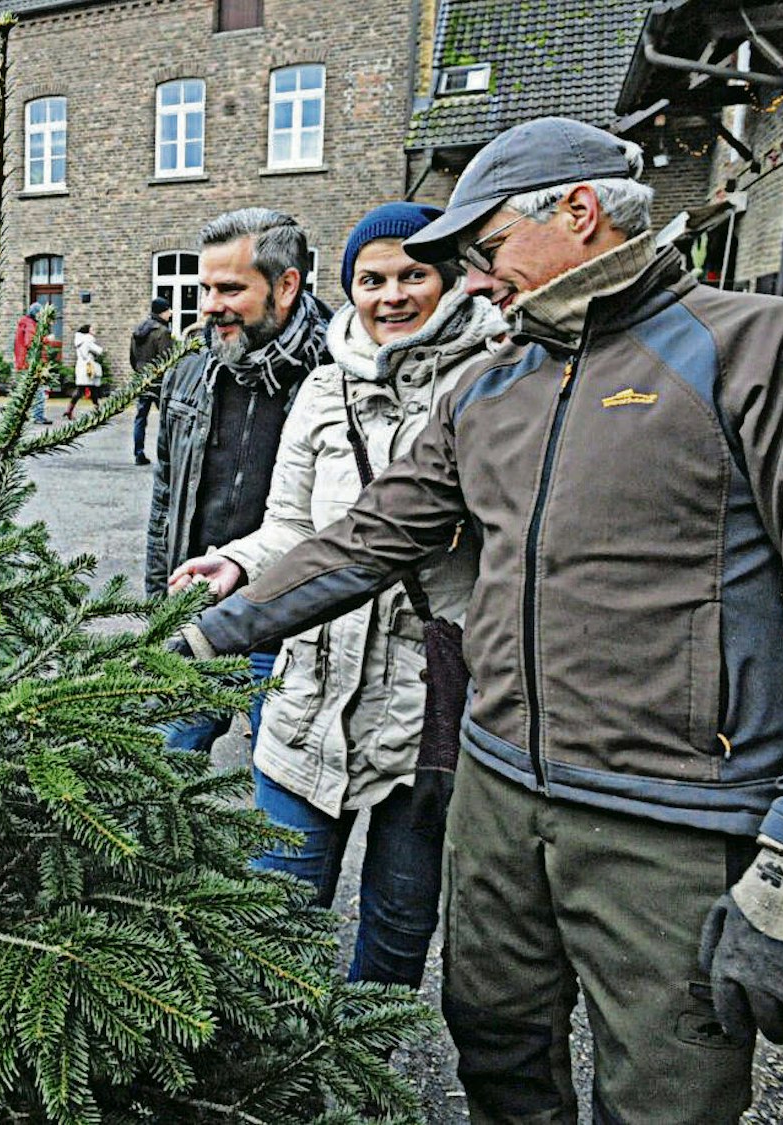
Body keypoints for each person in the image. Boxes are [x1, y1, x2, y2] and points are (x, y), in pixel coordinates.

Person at [173, 117, 783, 1124]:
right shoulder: (488, 388)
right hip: (495, 790)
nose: (471, 283)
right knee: (493, 1045)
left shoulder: (770, 353)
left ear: (575, 213)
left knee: (666, 1093)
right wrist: (188, 641)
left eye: (482, 253)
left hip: (671, 820)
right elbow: (365, 540)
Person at [168, 201, 504, 988]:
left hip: (425, 707)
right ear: (348, 288)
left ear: (448, 278)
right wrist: (236, 564)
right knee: (275, 909)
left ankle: (359, 1082)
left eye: (412, 275)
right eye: (372, 279)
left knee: (397, 922)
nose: (391, 296)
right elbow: (288, 524)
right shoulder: (325, 389)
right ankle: (273, 1078)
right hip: (308, 689)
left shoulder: (494, 382)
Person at [148, 206, 331, 756]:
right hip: (200, 620)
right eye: (205, 288)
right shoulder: (191, 370)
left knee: (275, 800)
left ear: (286, 285)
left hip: (291, 634)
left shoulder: (338, 377)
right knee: (162, 775)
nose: (209, 307)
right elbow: (165, 502)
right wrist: (161, 610)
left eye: (229, 288)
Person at [128, 297, 176, 464]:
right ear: (162, 311)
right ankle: (167, 455)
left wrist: (140, 372)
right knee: (166, 418)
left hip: (142, 378)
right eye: (168, 310)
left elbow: (132, 358)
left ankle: (138, 453)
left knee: (140, 418)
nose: (170, 313)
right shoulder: (162, 332)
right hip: (158, 381)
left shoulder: (139, 330)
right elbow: (167, 359)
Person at [13, 304, 51, 424]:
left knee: (25, 388)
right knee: (37, 388)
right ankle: (38, 416)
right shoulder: (30, 324)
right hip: (30, 363)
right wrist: (46, 339)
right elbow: (30, 342)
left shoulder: (24, 323)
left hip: (24, 361)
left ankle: (12, 409)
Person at [63, 323, 103, 419]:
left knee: (80, 389)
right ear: (88, 331)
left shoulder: (79, 340)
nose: (94, 331)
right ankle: (97, 411)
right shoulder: (88, 340)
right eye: (92, 329)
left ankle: (69, 410)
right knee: (93, 390)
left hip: (81, 366)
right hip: (89, 367)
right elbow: (99, 351)